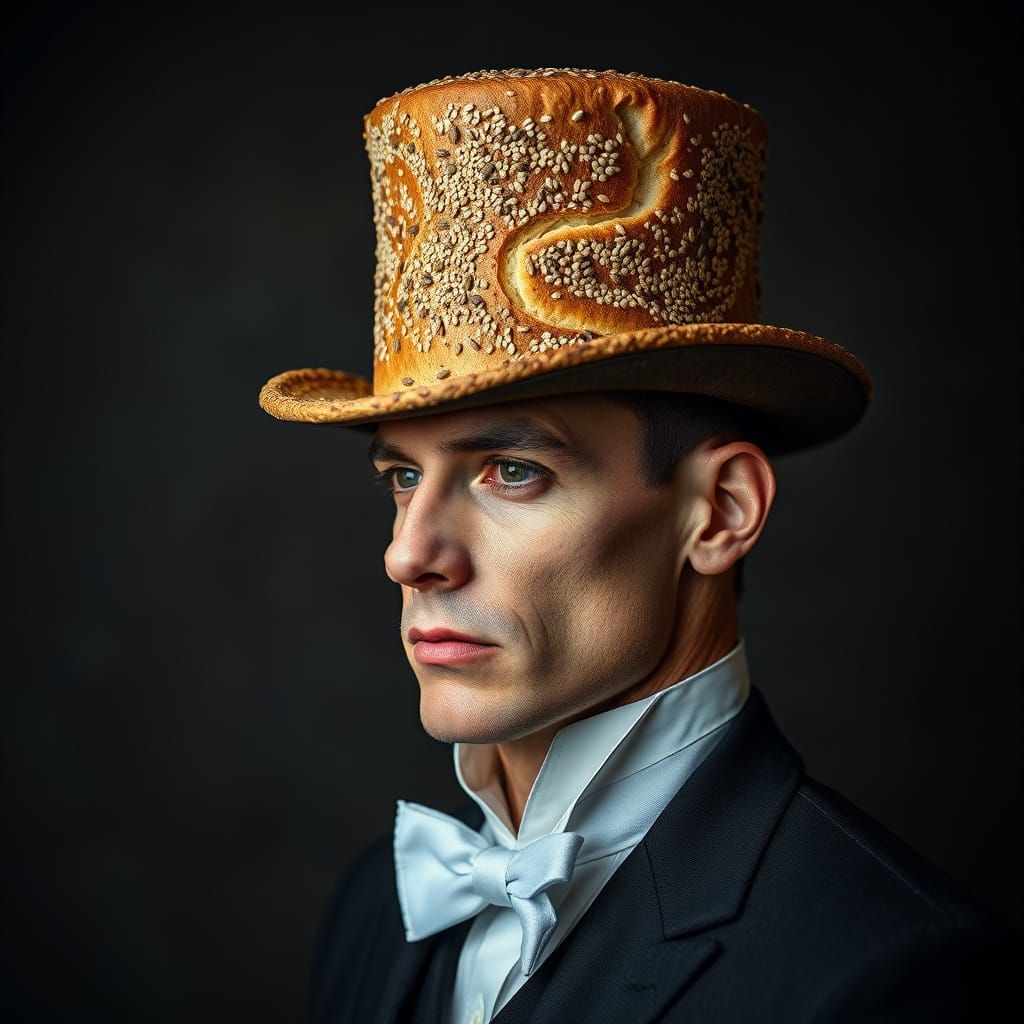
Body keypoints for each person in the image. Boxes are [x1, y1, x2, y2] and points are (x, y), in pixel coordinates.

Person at [259, 68, 1018, 1023]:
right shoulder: (378, 906)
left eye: (512, 471)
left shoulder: (895, 976)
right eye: (403, 477)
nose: (409, 555)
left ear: (722, 511)